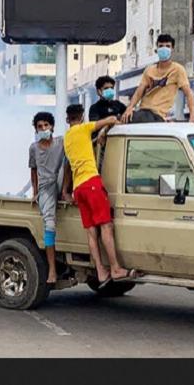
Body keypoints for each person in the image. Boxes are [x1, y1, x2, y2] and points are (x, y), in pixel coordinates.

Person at [63, 103, 138, 286]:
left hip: (79, 188)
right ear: (81, 118)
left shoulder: (67, 138)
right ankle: (115, 268)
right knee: (106, 227)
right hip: (92, 184)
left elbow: (73, 160)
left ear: (67, 120)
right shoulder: (85, 128)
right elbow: (112, 119)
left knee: (91, 233)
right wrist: (105, 126)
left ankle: (101, 271)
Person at [121, 34, 194, 124]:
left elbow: (188, 93)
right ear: (157, 49)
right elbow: (139, 91)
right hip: (144, 112)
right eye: (161, 46)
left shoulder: (177, 69)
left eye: (167, 46)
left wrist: (193, 116)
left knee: (115, 120)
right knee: (120, 118)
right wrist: (129, 108)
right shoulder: (149, 70)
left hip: (157, 115)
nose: (164, 49)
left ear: (172, 49)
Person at [28, 111, 71, 286]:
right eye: (40, 126)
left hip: (61, 181)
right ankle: (52, 269)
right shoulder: (34, 148)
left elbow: (68, 165)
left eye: (46, 125)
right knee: (50, 225)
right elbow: (33, 170)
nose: (44, 129)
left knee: (68, 161)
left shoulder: (61, 142)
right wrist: (35, 192)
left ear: (52, 126)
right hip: (45, 188)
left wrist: (66, 189)